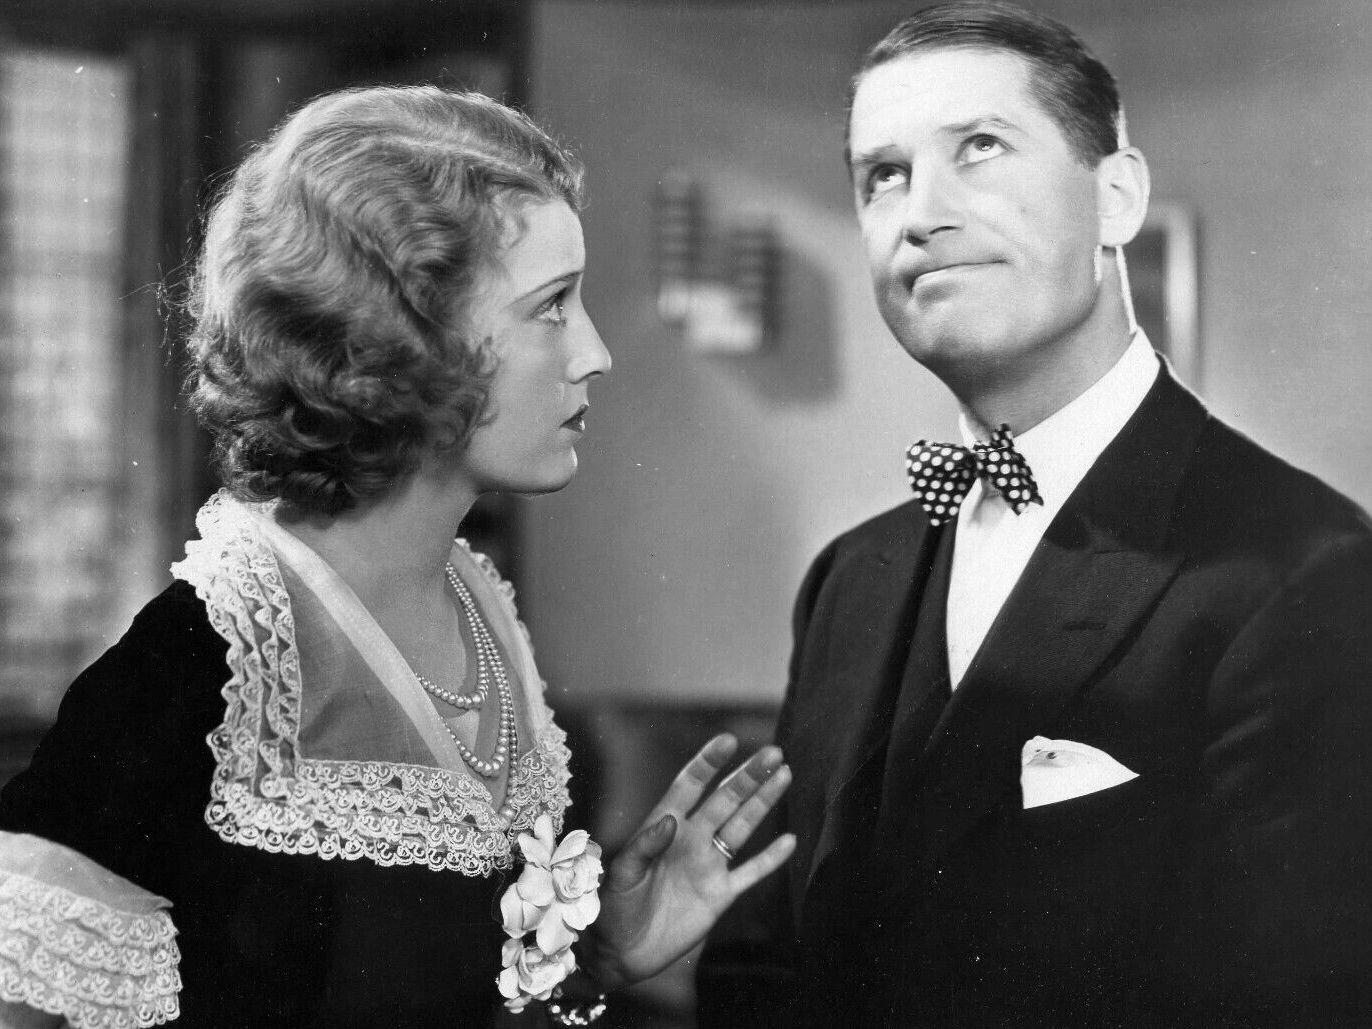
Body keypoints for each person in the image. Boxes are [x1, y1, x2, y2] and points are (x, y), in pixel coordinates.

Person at [0, 85, 795, 1028]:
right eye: (552, 306)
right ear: (405, 340)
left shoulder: (482, 613)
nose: (595, 352)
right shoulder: (207, 663)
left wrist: (599, 958)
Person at [699, 3, 1372, 1027]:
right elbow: (762, 964)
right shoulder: (847, 577)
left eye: (980, 147)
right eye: (884, 174)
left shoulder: (1304, 568)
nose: (922, 213)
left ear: (1117, 198)